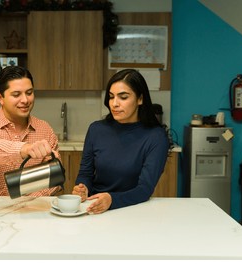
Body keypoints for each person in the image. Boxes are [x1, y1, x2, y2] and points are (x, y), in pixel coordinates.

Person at [72, 69, 169, 214]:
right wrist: (82, 187)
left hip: (133, 210)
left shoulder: (156, 137)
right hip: (95, 207)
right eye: (111, 97)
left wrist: (111, 200)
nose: (114, 104)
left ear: (140, 99)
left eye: (123, 97)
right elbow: (85, 173)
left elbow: (144, 189)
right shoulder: (96, 129)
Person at [0, 66, 61, 196]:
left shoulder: (45, 130)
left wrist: (28, 201)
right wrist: (25, 149)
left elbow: (53, 178)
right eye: (16, 94)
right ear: (0, 98)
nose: (25, 100)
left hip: (29, 209)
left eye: (29, 93)